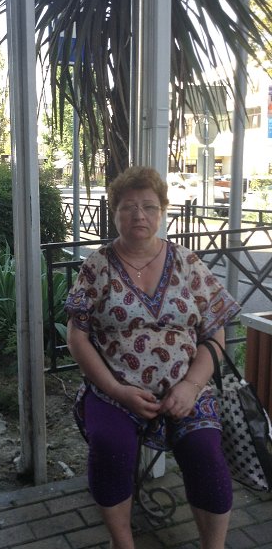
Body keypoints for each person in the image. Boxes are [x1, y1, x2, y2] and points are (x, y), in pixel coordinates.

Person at [65, 166, 240, 549]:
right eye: (128, 207)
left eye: (148, 206)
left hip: (186, 390)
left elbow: (215, 332)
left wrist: (191, 386)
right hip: (114, 391)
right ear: (114, 213)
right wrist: (117, 390)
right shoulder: (97, 266)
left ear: (162, 211)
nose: (139, 215)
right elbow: (77, 336)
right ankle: (123, 543)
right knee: (110, 447)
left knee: (206, 454)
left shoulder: (188, 263)